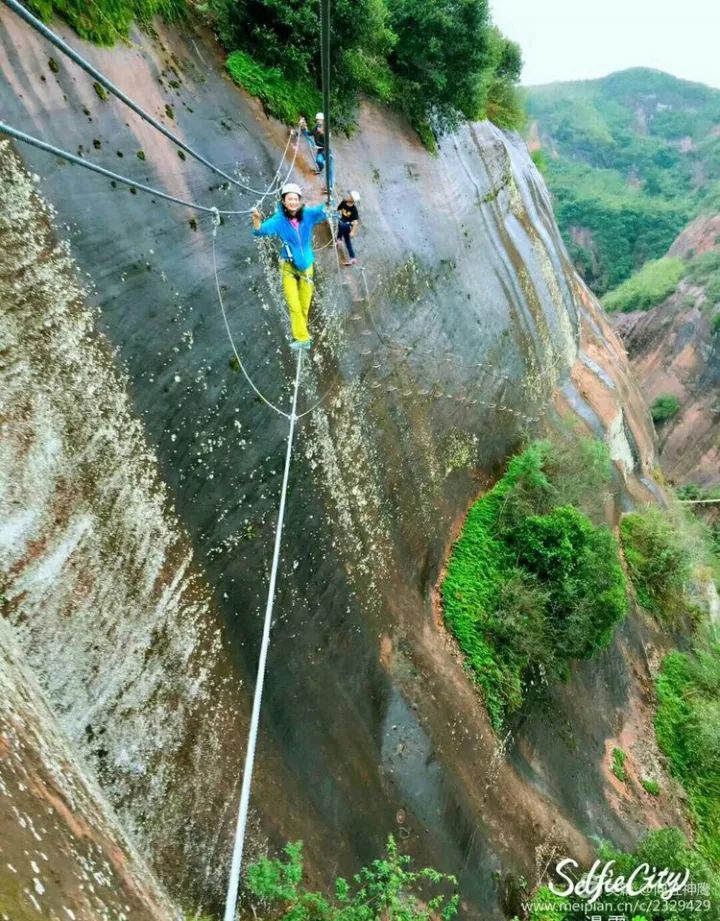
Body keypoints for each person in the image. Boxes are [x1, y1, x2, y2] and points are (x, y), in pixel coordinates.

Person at [251, 182, 327, 350]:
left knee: (304, 303)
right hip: (288, 267)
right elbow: (260, 231)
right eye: (289, 199)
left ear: (299, 201)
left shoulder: (307, 215)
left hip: (306, 266)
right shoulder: (279, 220)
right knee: (293, 304)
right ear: (284, 202)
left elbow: (321, 211)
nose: (292, 202)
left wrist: (329, 203)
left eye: (295, 199)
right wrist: (256, 219)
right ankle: (302, 338)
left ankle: (301, 333)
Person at [300, 113, 335, 189]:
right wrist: (303, 128)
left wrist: (322, 133)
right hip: (320, 150)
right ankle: (320, 169)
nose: (318, 121)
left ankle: (330, 187)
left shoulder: (326, 129)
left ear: (323, 120)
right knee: (318, 160)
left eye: (319, 120)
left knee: (330, 170)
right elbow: (309, 134)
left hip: (327, 151)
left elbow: (327, 138)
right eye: (317, 120)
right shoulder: (316, 128)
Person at [336, 191, 360, 266]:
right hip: (341, 221)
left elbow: (355, 222)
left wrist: (353, 231)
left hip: (347, 225)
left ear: (352, 200)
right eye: (349, 195)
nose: (348, 196)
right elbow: (338, 208)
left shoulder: (354, 210)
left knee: (347, 240)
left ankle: (352, 258)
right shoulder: (344, 202)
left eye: (350, 196)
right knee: (340, 227)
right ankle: (339, 240)